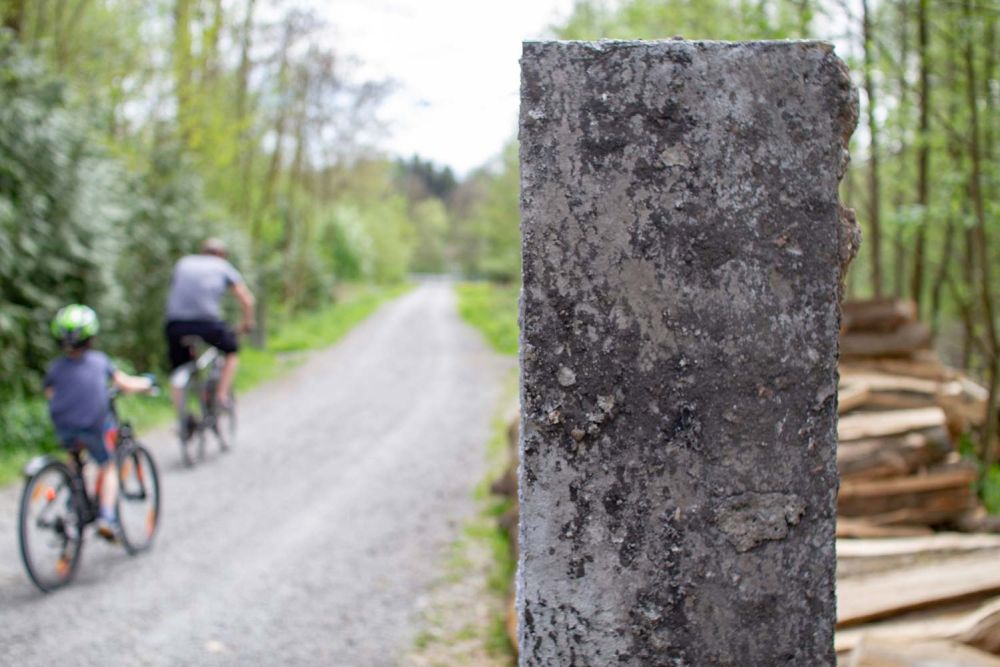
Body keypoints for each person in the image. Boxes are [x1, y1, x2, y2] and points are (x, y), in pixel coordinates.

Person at [46, 304, 154, 540]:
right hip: (93, 426)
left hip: (63, 427)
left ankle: (73, 508)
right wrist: (146, 383)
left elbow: (51, 395)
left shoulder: (55, 368)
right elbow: (124, 383)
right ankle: (106, 517)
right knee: (108, 465)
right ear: (91, 336)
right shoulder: (99, 361)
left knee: (75, 461)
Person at [164, 238, 254, 420]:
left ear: (202, 251)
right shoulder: (222, 266)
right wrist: (247, 324)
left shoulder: (184, 263)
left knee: (178, 370)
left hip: (175, 325)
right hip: (207, 325)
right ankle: (221, 396)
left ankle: (181, 418)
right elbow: (247, 299)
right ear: (221, 254)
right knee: (231, 350)